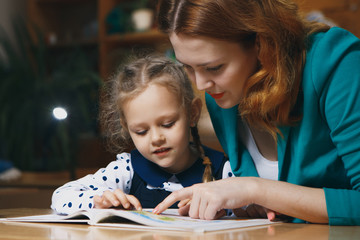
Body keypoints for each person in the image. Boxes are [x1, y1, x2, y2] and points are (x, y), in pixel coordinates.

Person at [153, 0, 360, 225]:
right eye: (188, 67)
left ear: (261, 43)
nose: (201, 85)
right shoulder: (221, 98)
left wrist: (253, 189)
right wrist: (248, 206)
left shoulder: (336, 62)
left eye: (214, 68)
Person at [51, 54, 233, 215]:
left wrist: (223, 209)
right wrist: (98, 200)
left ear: (192, 113)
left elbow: (252, 209)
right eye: (141, 131)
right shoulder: (127, 170)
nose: (156, 139)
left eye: (168, 124)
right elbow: (60, 196)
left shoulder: (222, 169)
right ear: (126, 127)